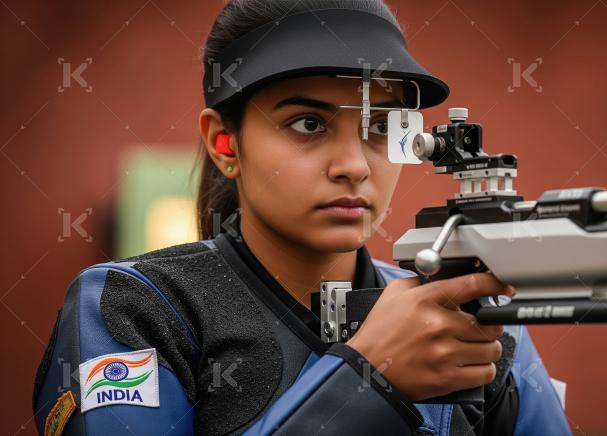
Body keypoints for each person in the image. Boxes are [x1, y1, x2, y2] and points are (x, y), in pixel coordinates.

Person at [32, 1, 570, 434]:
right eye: (308, 124)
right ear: (225, 142)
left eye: (381, 127)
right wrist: (366, 380)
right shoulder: (135, 308)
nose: (355, 166)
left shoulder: (471, 323)